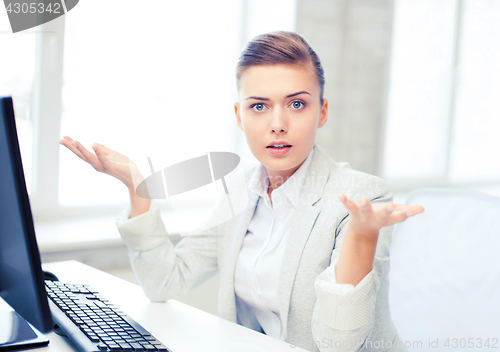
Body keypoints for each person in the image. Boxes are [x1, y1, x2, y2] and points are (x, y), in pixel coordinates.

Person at [59, 31, 424, 352]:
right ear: (239, 115)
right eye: (259, 106)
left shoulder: (362, 197)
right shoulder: (240, 189)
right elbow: (164, 280)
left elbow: (338, 345)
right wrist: (138, 187)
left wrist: (361, 236)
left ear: (322, 111)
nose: (278, 124)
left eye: (297, 104)